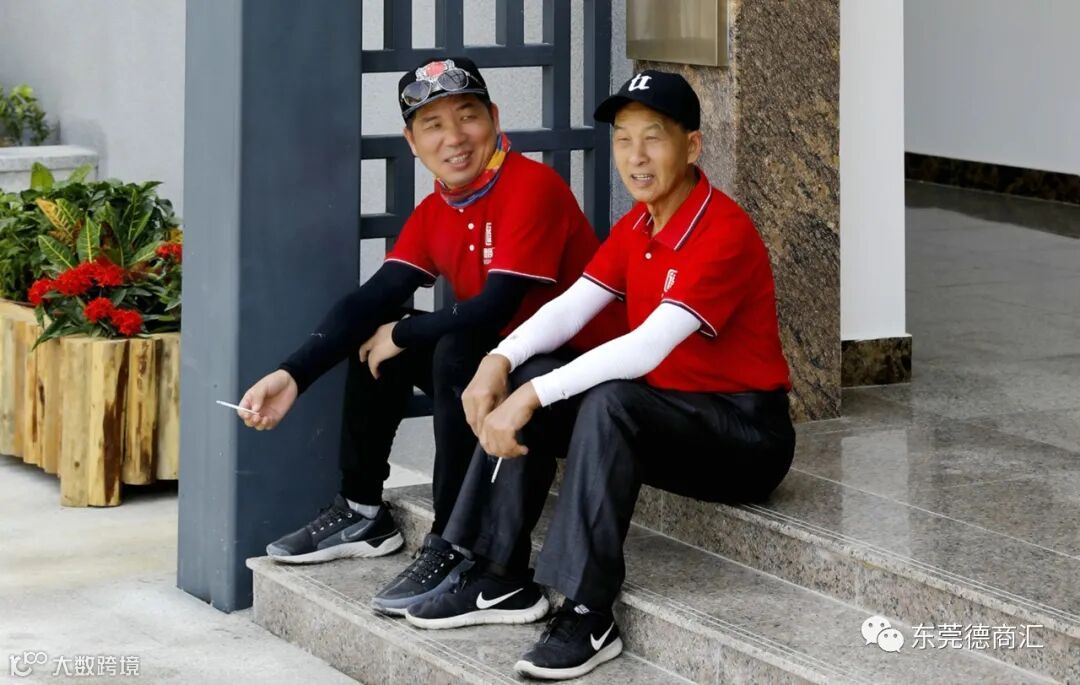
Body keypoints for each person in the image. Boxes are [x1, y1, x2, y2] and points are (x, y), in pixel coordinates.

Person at [401, 71, 797, 681]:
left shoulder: (722, 230)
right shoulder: (637, 226)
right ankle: (499, 574)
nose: (636, 157)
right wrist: (499, 363)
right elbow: (570, 309)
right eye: (623, 139)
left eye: (653, 138)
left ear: (692, 146)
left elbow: (644, 348)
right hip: (669, 413)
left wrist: (529, 396)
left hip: (745, 439)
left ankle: (589, 613)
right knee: (538, 368)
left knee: (606, 399)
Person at [235, 56, 622, 617]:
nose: (454, 138)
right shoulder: (437, 209)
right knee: (378, 334)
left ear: (494, 118)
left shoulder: (532, 186)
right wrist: (292, 374)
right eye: (433, 125)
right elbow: (370, 299)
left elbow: (495, 307)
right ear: (412, 141)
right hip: (500, 367)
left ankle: (453, 541)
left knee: (454, 347)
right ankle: (362, 511)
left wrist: (406, 331)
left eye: (467, 116)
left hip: (573, 382)